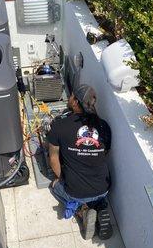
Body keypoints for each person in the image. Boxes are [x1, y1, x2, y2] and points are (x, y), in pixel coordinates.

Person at [47, 84, 113, 240]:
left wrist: (61, 178)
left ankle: (82, 212)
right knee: (93, 193)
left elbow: (53, 158)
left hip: (77, 192)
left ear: (75, 102)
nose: (69, 98)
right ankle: (99, 205)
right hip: (104, 187)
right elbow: (105, 153)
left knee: (54, 186)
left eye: (71, 96)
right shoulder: (104, 126)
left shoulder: (59, 125)